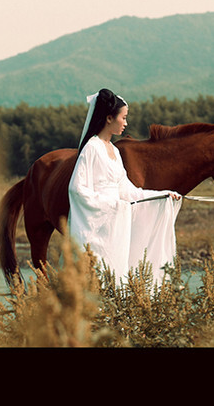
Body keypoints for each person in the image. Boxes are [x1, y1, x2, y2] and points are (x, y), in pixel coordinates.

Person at [68, 88, 182, 286]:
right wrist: (112, 206)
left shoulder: (114, 150)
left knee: (116, 276)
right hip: (98, 227)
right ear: (109, 118)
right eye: (124, 117)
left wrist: (162, 195)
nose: (126, 123)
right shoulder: (92, 148)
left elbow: (128, 191)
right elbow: (77, 189)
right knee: (99, 276)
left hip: (116, 227)